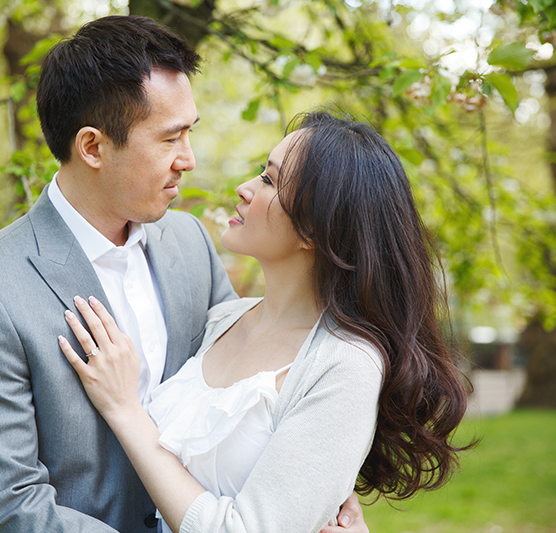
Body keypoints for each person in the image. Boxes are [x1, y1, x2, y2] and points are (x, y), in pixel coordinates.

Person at [0, 16, 367, 533]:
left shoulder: (188, 244)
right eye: (170, 138)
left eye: (191, 132)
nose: (188, 159)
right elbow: (7, 505)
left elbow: (252, 396)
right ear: (93, 147)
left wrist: (321, 496)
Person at [59, 109, 471, 533]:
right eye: (261, 172)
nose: (244, 189)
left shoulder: (345, 364)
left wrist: (125, 410)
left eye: (270, 182)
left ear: (315, 229)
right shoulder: (224, 319)